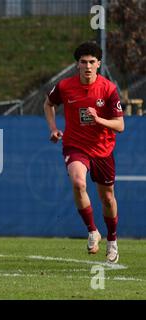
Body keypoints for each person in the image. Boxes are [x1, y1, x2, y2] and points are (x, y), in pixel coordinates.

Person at [43, 41, 124, 263]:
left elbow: (120, 125)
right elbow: (48, 104)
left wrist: (98, 119)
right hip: (75, 145)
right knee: (78, 183)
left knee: (107, 198)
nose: (87, 66)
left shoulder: (108, 89)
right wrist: (53, 128)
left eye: (91, 62)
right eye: (83, 62)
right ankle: (92, 231)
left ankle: (112, 241)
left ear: (98, 64)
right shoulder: (65, 86)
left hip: (103, 150)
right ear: (77, 65)